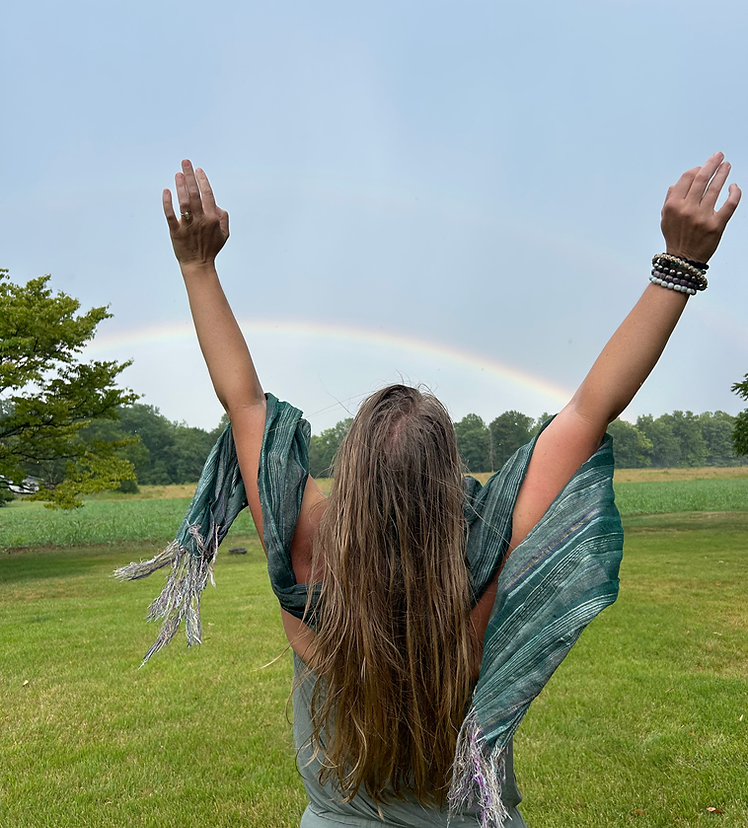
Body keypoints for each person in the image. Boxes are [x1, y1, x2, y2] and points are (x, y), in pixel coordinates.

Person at [120, 154, 740, 828]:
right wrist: (679, 264)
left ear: (349, 473)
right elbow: (592, 408)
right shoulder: (485, 566)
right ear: (449, 477)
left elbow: (243, 402)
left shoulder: (304, 559)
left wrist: (197, 267)